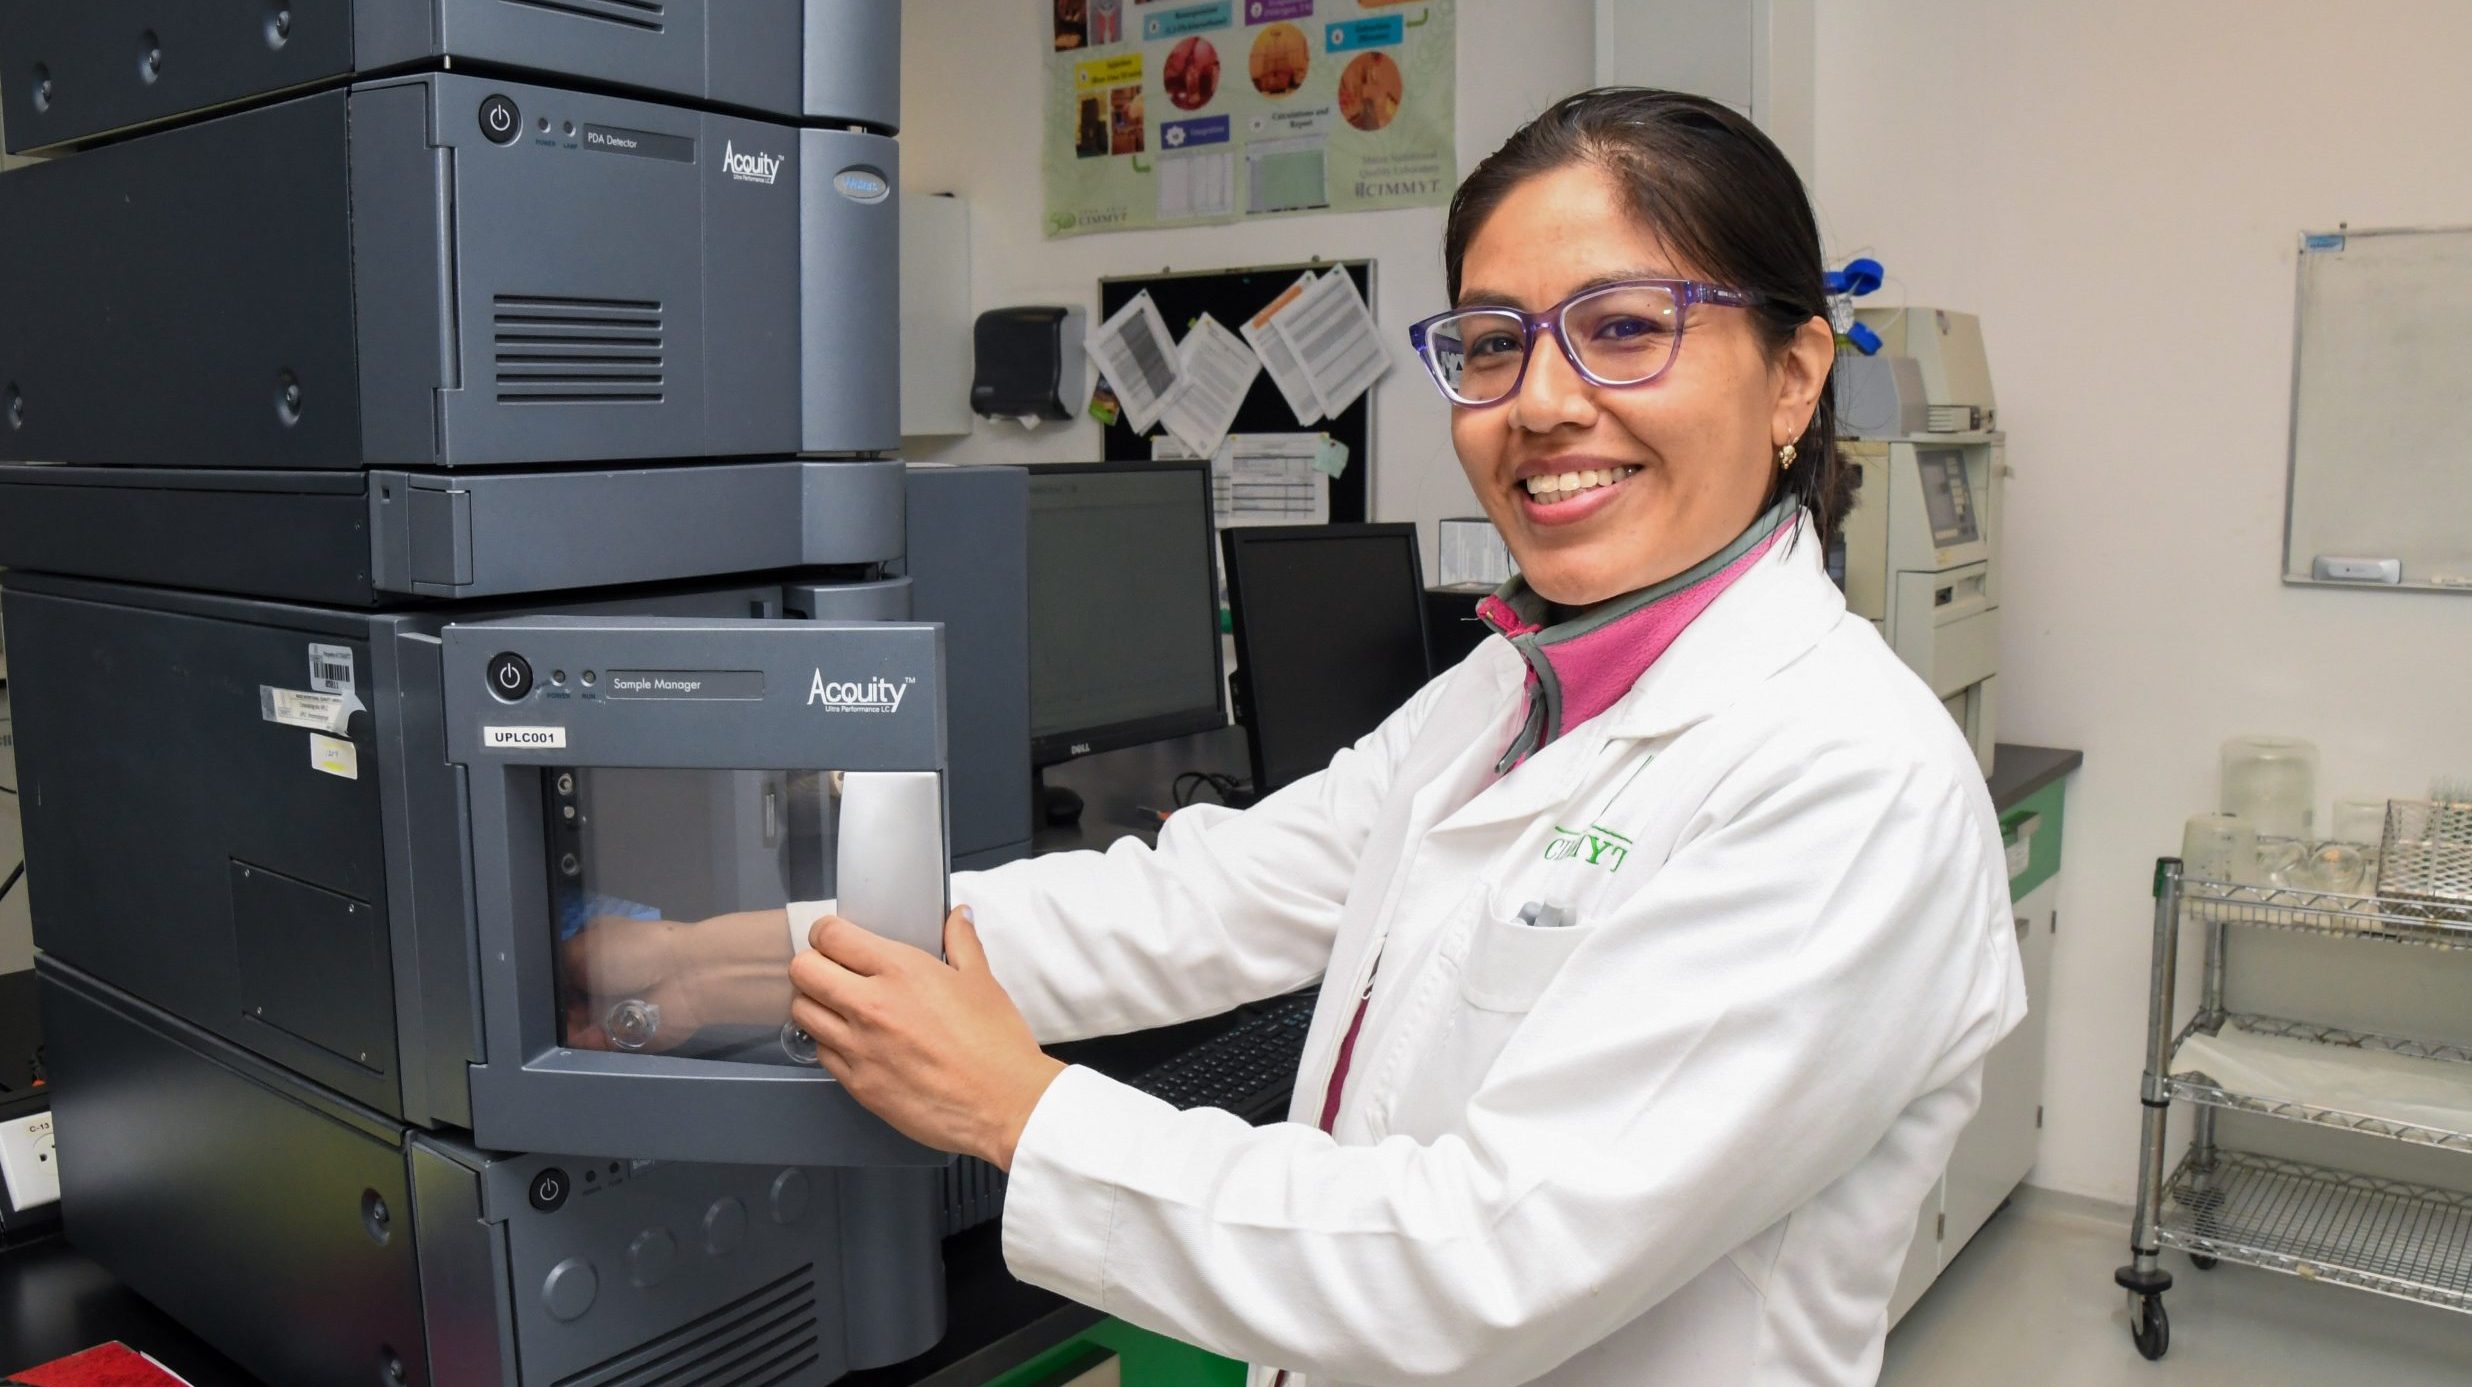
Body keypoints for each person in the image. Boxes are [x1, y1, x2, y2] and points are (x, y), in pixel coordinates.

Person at [583, 88, 2025, 1387]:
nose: (1544, 403)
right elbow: (1192, 903)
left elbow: (1479, 1266)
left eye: (1628, 327)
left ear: (1793, 378)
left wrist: (1019, 1111)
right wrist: (698, 965)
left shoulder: (1848, 780)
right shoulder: (1516, 686)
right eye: (1491, 342)